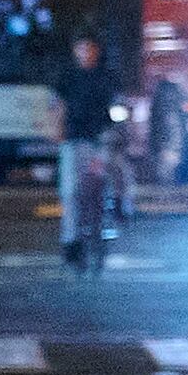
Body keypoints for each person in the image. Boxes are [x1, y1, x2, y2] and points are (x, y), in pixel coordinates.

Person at [51, 30, 124, 261]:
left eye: (90, 48)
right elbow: (59, 106)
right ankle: (70, 240)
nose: (86, 53)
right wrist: (58, 130)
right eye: (82, 48)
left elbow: (117, 106)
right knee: (70, 192)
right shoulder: (67, 77)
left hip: (99, 140)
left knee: (106, 184)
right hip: (73, 140)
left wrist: (116, 133)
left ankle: (109, 220)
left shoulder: (106, 77)